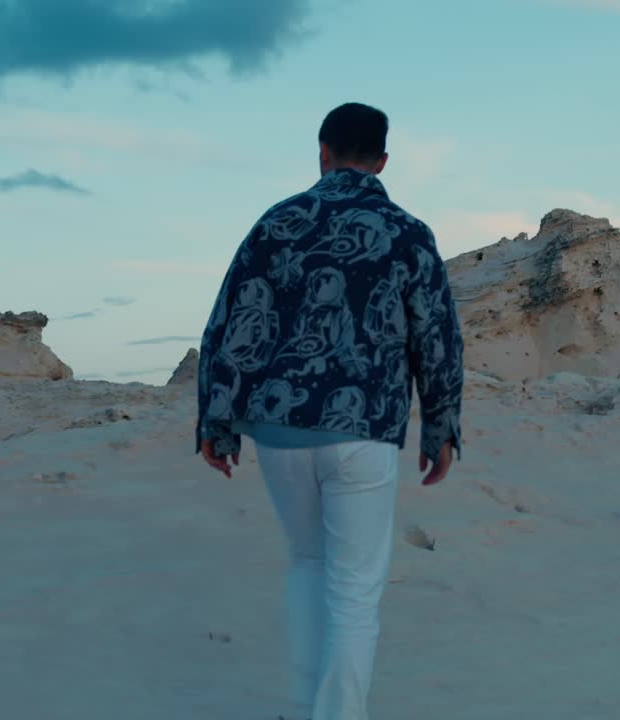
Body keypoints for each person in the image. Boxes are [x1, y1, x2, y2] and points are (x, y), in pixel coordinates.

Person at [195, 102, 465, 720]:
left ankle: (301, 704)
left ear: (322, 151)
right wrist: (441, 428)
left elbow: (229, 323)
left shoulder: (277, 222)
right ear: (384, 161)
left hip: (279, 431)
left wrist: (216, 420)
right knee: (354, 594)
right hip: (364, 428)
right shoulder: (407, 232)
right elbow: (439, 338)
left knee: (306, 564)